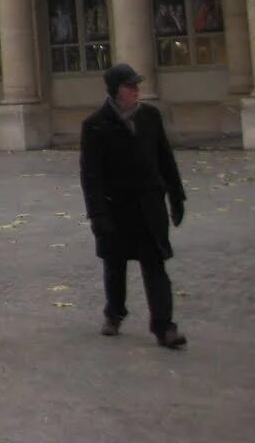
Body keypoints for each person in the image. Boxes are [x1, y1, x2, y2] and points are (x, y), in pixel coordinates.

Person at [79, 63, 187, 348]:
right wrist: (98, 213)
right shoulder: (95, 124)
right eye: (130, 86)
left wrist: (176, 196)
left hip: (150, 207)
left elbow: (165, 159)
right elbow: (91, 175)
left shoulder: (150, 117)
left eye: (137, 85)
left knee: (156, 267)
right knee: (115, 266)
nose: (137, 90)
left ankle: (164, 326)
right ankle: (114, 312)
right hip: (116, 209)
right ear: (116, 91)